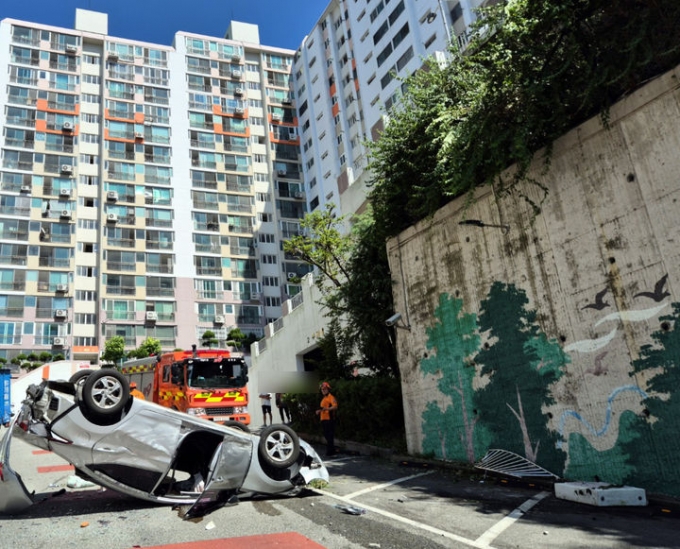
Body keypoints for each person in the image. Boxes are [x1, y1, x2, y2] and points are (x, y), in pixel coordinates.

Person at [315, 381, 338, 456]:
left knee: (329, 435)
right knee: (326, 435)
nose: (323, 391)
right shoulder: (324, 398)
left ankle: (330, 451)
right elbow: (323, 408)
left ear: (328, 389)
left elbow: (335, 406)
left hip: (329, 419)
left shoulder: (331, 397)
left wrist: (326, 409)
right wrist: (319, 411)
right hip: (323, 419)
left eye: (324, 389)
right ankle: (332, 450)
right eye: (322, 389)